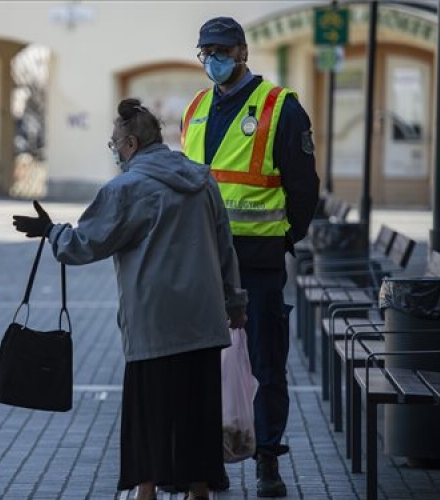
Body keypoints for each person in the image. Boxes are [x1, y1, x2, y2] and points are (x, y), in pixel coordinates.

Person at [13, 98, 247, 500]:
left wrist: (51, 232)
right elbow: (225, 246)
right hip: (204, 319)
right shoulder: (203, 180)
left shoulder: (127, 188)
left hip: (153, 322)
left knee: (150, 409)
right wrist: (235, 302)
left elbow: (84, 244)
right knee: (199, 405)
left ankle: (147, 488)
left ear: (132, 144)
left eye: (114, 144)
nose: (115, 152)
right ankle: (199, 488)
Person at [180, 16, 320, 498]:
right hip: (202, 263)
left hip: (256, 263)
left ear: (242, 51)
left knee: (265, 365)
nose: (213, 59)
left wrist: (281, 240)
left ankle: (267, 460)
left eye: (221, 50)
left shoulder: (281, 107)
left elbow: (304, 191)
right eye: (206, 52)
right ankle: (207, 463)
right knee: (200, 366)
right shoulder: (196, 108)